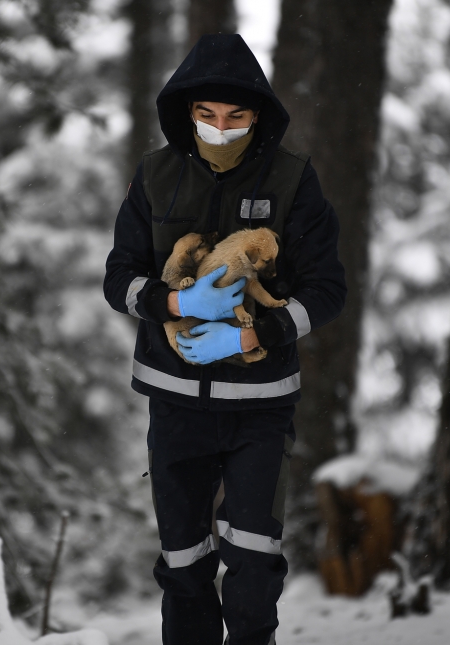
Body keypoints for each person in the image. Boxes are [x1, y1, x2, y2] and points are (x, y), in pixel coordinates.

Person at [103, 34, 345, 645]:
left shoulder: (293, 181)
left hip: (260, 410)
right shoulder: (155, 175)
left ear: (258, 114)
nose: (220, 128)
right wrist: (178, 303)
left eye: (235, 117)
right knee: (183, 567)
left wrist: (253, 335)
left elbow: (328, 291)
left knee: (254, 565)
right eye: (207, 116)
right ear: (187, 112)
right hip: (175, 402)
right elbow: (118, 278)